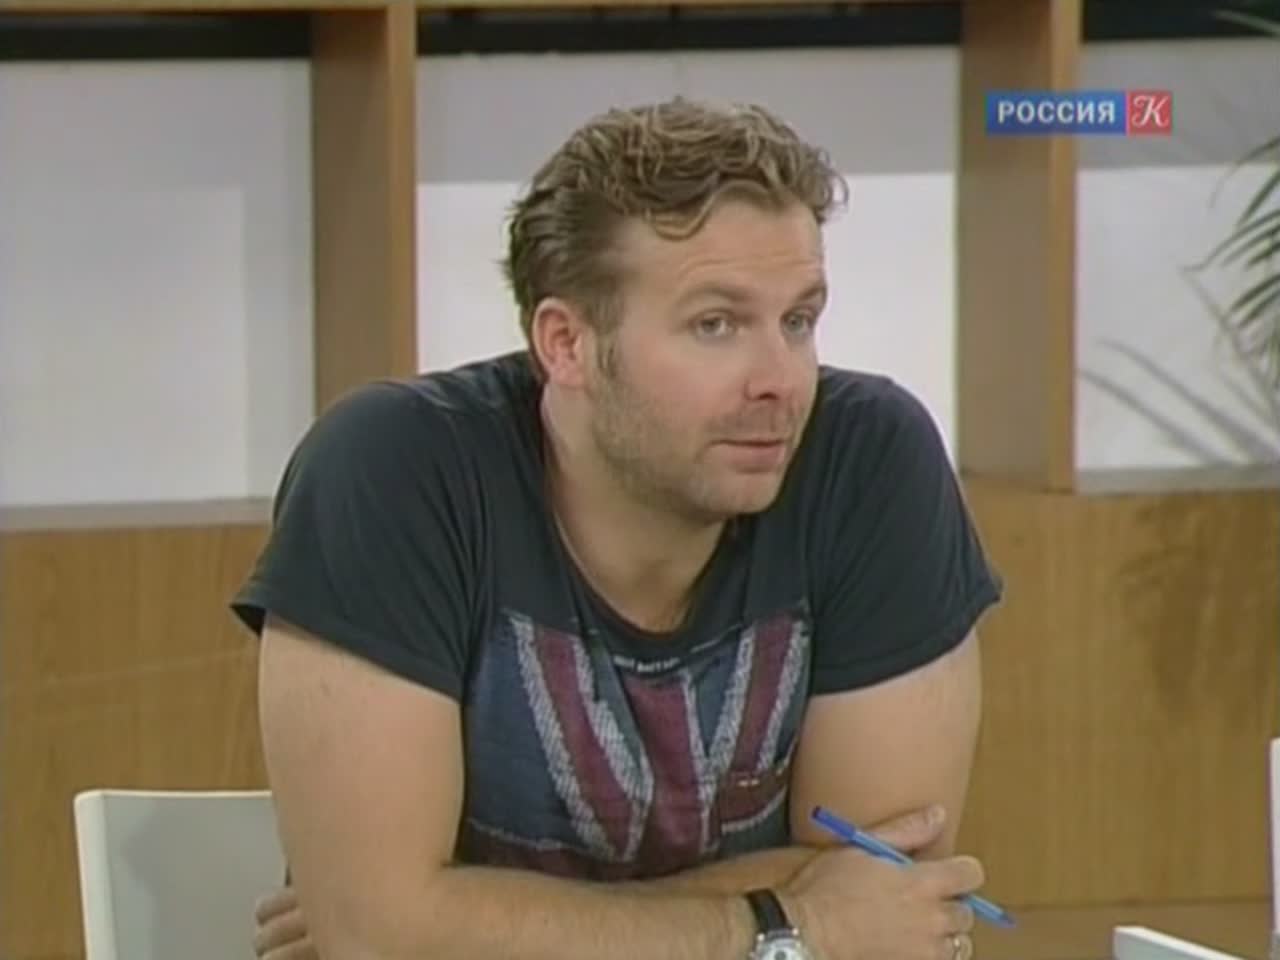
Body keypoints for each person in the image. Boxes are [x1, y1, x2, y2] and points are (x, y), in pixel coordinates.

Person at [233, 96, 1003, 960]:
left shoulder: (868, 461)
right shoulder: (395, 472)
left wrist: (459, 916)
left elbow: (891, 897)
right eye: (716, 325)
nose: (780, 381)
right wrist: (790, 924)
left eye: (798, 320)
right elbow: (382, 938)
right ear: (565, 344)